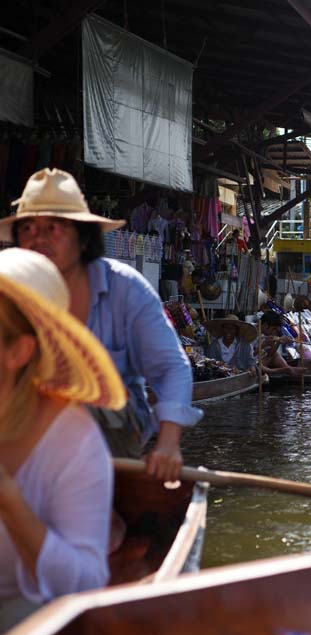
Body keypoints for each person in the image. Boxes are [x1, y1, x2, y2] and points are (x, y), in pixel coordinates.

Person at [7, 169, 199, 482]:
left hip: (110, 429)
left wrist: (168, 444)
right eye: (28, 228)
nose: (39, 239)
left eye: (53, 228)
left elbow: (171, 368)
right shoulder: (10, 293)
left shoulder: (125, 288)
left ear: (83, 239)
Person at [0, 248, 127, 631]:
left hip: (24, 619)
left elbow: (86, 583)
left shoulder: (73, 441)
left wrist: (9, 499)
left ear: (18, 351)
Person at [258, 311, 306, 377]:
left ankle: (288, 368)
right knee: (259, 365)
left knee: (275, 354)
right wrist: (264, 344)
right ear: (266, 325)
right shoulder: (251, 333)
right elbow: (250, 357)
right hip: (253, 364)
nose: (274, 332)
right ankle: (285, 370)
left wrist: (279, 342)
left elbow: (270, 354)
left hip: (261, 361)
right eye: (273, 329)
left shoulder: (264, 334)